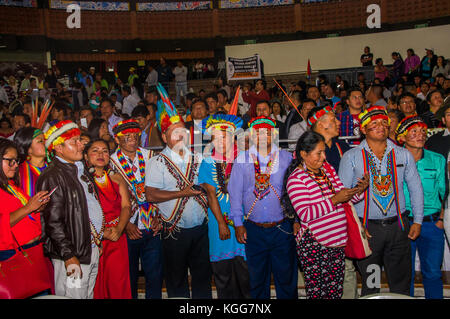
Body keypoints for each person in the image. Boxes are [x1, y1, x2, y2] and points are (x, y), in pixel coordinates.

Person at [339, 106, 424, 296]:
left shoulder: (402, 154)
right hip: (368, 230)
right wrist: (355, 226)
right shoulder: (351, 156)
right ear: (363, 129)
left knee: (400, 281)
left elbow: (415, 188)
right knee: (372, 282)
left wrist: (417, 220)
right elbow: (343, 196)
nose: (381, 127)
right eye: (374, 123)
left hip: (398, 227)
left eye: (385, 123)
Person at [145, 84, 211, 299]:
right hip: (174, 232)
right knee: (176, 279)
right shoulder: (157, 162)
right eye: (175, 133)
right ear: (164, 138)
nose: (181, 136)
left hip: (201, 230)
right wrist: (183, 193)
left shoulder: (199, 158)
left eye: (183, 132)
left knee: (202, 278)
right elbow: (151, 195)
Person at [285, 131, 368, 299]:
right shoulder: (296, 179)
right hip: (315, 245)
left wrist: (359, 191)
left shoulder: (327, 170)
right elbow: (306, 214)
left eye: (324, 152)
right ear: (303, 154)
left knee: (335, 292)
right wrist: (335, 200)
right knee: (318, 293)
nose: (324, 157)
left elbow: (343, 197)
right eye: (319, 153)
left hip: (336, 242)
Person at [228, 116, 298, 299]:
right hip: (253, 228)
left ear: (273, 135)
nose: (263, 135)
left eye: (267, 132)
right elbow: (235, 194)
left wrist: (296, 220)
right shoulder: (242, 159)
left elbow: (294, 192)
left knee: (286, 277)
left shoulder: (286, 157)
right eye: (258, 132)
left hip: (282, 227)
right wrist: (238, 223)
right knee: (257, 280)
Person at [36, 120, 105, 299]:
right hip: (72, 254)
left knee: (86, 294)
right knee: (72, 295)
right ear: (58, 148)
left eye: (80, 140)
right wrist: (68, 255)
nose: (81, 144)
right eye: (74, 141)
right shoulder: (53, 176)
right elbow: (53, 222)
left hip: (89, 248)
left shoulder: (80, 170)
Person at [198, 113, 251, 299]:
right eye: (216, 136)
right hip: (218, 223)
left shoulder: (245, 159)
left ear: (233, 136)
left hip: (243, 222)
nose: (221, 140)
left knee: (246, 275)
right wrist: (221, 223)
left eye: (225, 135)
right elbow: (211, 195)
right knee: (223, 276)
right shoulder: (207, 162)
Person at [109, 119, 163, 299]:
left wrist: (159, 217)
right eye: (127, 137)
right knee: (129, 276)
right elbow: (110, 200)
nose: (132, 139)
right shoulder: (110, 163)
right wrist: (124, 225)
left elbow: (160, 188)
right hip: (128, 227)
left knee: (154, 275)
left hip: (151, 224)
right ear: (117, 140)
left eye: (135, 136)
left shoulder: (150, 156)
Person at [395, 116, 446, 299]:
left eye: (423, 131)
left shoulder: (437, 159)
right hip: (404, 223)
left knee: (432, 272)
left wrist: (441, 219)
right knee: (404, 274)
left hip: (432, 224)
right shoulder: (394, 159)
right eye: (414, 132)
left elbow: (445, 193)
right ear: (402, 137)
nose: (420, 135)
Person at [0, 139, 52, 297]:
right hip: (12, 255)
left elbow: (23, 214)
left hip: (32, 251)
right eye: (10, 161)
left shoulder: (11, 186)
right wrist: (29, 207)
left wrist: (37, 207)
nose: (16, 165)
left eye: (16, 161)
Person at [83, 139, 132, 299]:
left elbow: (126, 207)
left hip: (117, 237)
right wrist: (101, 233)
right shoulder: (82, 181)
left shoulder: (117, 178)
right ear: (86, 156)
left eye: (104, 151)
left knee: (118, 283)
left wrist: (119, 229)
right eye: (95, 151)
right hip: (94, 239)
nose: (100, 154)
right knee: (96, 285)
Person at [14, 127, 48, 198]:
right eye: (40, 141)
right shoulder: (19, 172)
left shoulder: (55, 168)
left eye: (45, 139)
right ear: (28, 149)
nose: (46, 143)